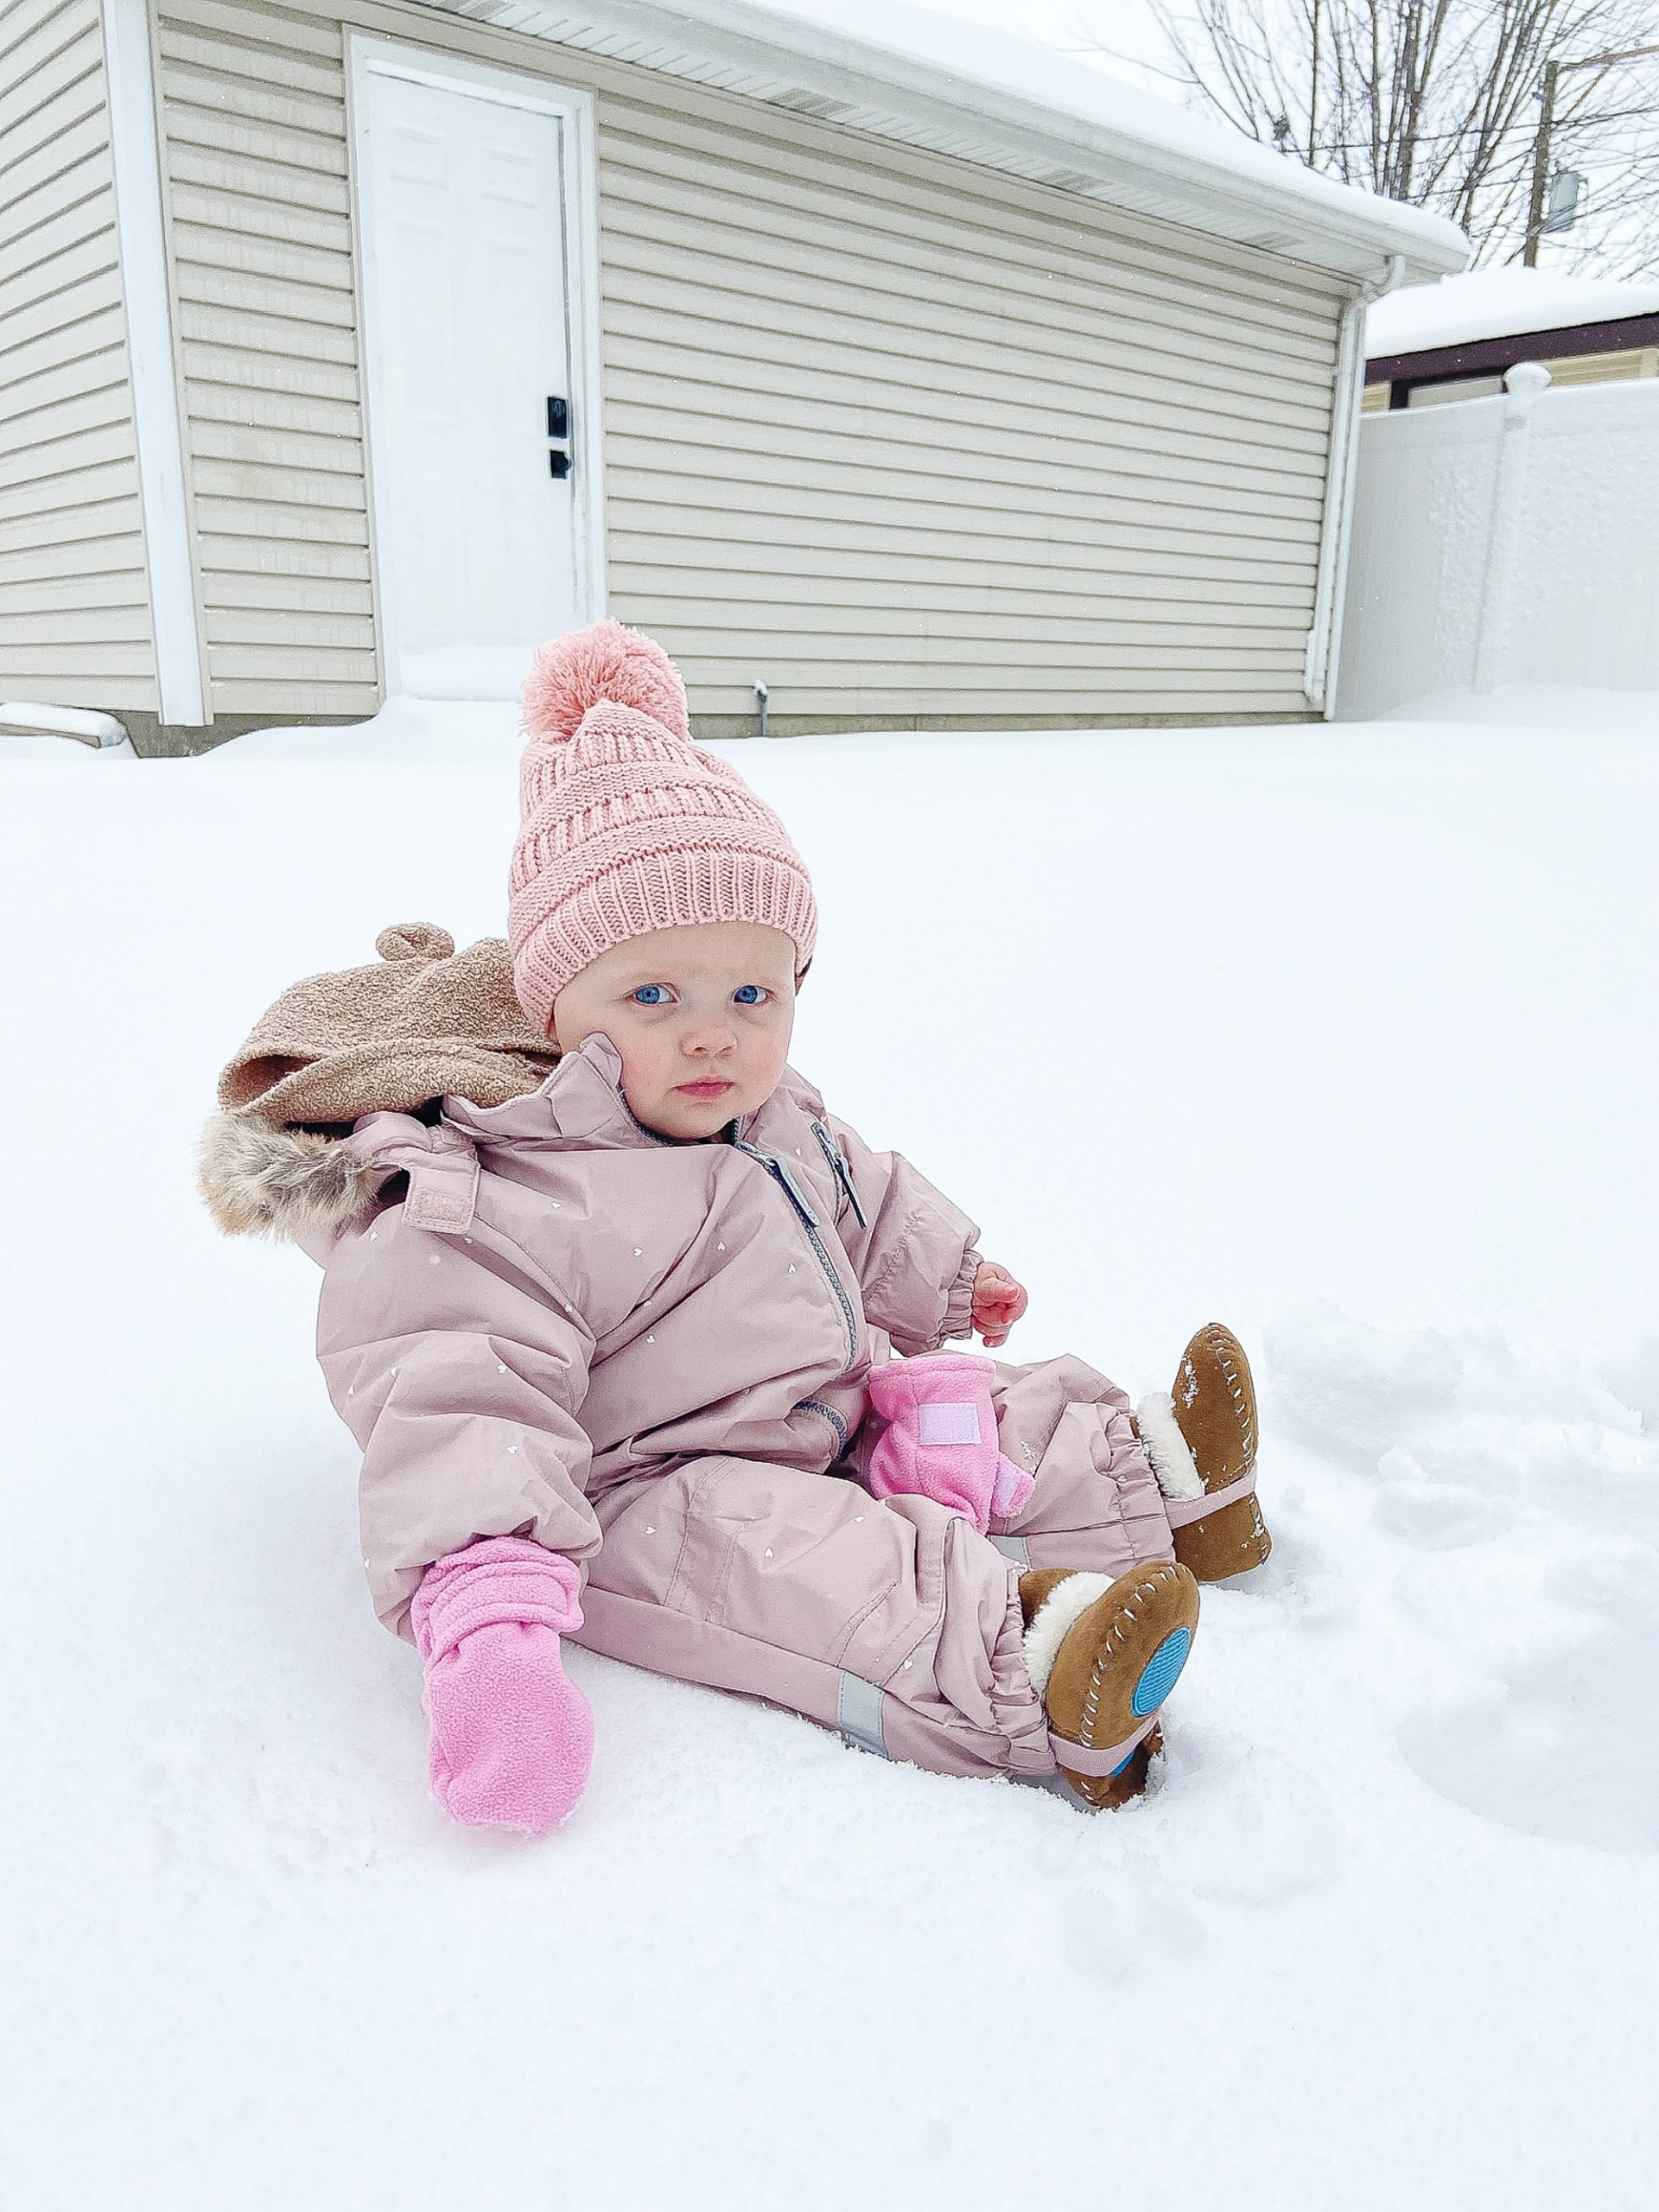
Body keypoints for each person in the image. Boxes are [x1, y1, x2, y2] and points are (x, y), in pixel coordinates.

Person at [200, 620, 1270, 1832]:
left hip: (812, 1390)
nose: (713, 1033)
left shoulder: (767, 1108)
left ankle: (1162, 1483)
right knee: (812, 1567)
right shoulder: (496, 1195)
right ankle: (1037, 1668)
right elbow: (461, 1406)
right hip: (652, 1485)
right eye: (655, 995)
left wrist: (949, 1274)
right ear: (559, 1011)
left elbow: (854, 1190)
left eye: (751, 993)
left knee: (975, 1412)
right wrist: (490, 1633)